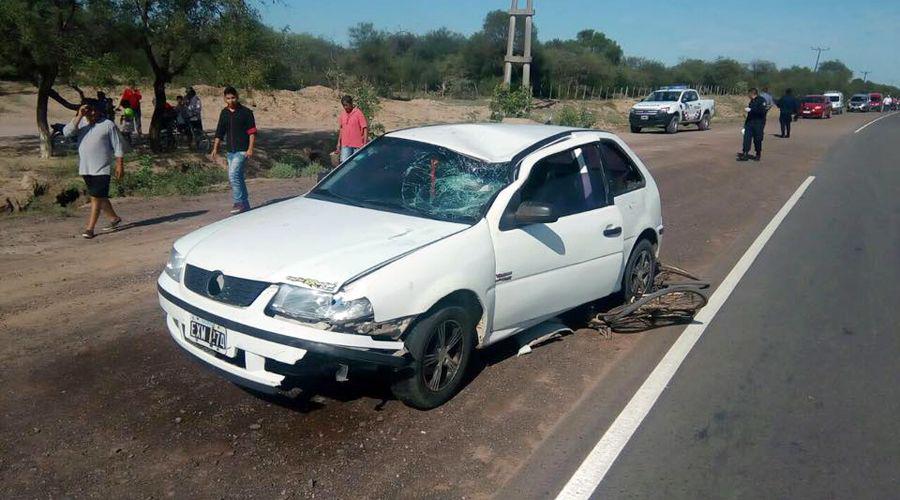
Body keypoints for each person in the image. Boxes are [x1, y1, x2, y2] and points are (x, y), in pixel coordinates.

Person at [63, 101, 125, 239]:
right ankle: (114, 218)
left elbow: (118, 146)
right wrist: (79, 115)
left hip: (102, 168)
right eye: (89, 110)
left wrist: (120, 165)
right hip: (86, 168)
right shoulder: (80, 123)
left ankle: (90, 229)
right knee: (100, 196)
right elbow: (66, 133)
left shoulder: (107, 124)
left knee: (95, 198)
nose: (92, 113)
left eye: (95, 110)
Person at [211, 86, 257, 214]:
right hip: (230, 151)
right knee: (239, 177)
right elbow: (219, 132)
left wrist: (250, 149)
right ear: (224, 98)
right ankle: (245, 204)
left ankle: (238, 202)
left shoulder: (246, 112)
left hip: (242, 150)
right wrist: (215, 148)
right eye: (228, 98)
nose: (231, 100)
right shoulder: (224, 113)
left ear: (237, 97)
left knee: (233, 175)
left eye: (233, 98)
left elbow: (252, 132)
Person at [737, 88, 768, 162]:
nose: (748, 95)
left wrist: (752, 110)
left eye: (748, 94)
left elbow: (763, 112)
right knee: (746, 138)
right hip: (750, 123)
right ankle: (745, 154)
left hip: (759, 123)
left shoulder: (762, 100)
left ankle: (758, 154)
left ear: (752, 93)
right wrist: (745, 125)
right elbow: (749, 115)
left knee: (758, 139)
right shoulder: (751, 101)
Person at [335, 95, 368, 162]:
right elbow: (341, 129)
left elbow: (365, 128)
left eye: (346, 105)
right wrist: (338, 143)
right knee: (344, 163)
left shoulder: (358, 113)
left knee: (357, 164)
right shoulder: (343, 114)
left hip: (358, 146)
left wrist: (365, 144)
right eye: (343, 105)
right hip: (345, 145)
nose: (345, 107)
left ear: (351, 103)